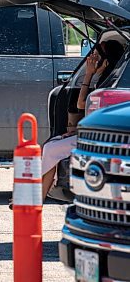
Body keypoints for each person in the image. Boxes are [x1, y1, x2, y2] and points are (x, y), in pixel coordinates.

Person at [39, 40, 124, 202]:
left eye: (97, 56)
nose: (93, 59)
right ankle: (38, 197)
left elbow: (82, 104)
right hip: (91, 134)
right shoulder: (106, 79)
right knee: (51, 145)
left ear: (106, 60)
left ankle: (37, 197)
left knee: (51, 148)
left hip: (99, 138)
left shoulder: (112, 84)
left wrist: (89, 74)